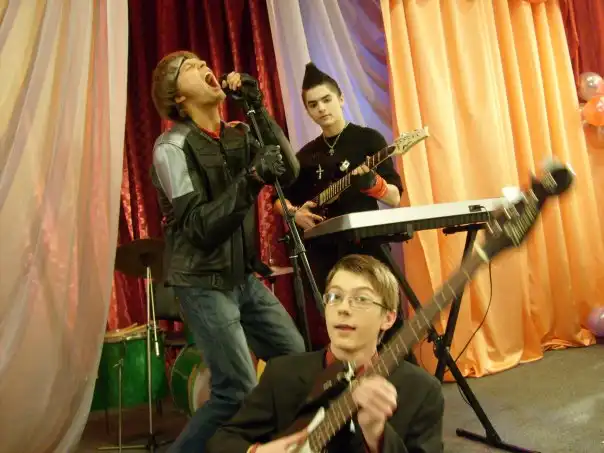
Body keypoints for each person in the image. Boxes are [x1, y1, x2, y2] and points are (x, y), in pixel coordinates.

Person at [150, 50, 306, 453]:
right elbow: (199, 227)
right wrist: (252, 178)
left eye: (203, 62)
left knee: (292, 358)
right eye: (189, 67)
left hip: (242, 278)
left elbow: (289, 172)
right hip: (202, 282)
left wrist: (258, 107)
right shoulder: (170, 148)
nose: (204, 66)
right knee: (235, 390)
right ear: (177, 97)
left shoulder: (238, 133)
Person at [206, 254, 445, 453]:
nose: (343, 308)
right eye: (335, 297)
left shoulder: (422, 390)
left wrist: (377, 436)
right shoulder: (282, 373)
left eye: (361, 299)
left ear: (389, 318)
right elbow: (222, 441)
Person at [273, 62, 405, 348]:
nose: (321, 108)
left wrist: (372, 183)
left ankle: (397, 372)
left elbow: (395, 198)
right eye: (313, 104)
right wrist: (295, 214)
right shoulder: (305, 156)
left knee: (385, 317)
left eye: (326, 99)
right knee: (340, 322)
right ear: (307, 110)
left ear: (341, 98)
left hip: (366, 245)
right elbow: (278, 200)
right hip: (324, 252)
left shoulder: (368, 140)